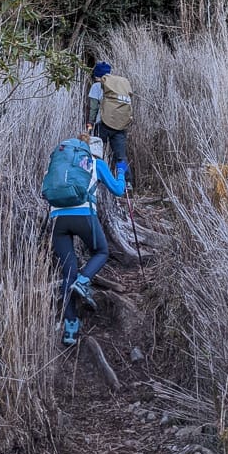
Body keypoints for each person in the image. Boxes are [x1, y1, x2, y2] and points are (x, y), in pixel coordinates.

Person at [49, 134, 126, 346]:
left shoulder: (63, 163)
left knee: (68, 273)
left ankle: (70, 330)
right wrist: (121, 172)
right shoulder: (95, 163)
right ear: (97, 151)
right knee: (101, 251)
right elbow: (119, 190)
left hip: (57, 218)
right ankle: (83, 282)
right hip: (83, 215)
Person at [86, 61, 132, 186]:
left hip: (102, 124)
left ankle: (98, 179)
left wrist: (90, 125)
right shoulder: (118, 86)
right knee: (120, 155)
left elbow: (94, 108)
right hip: (120, 124)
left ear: (97, 75)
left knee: (97, 153)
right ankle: (127, 182)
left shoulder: (97, 86)